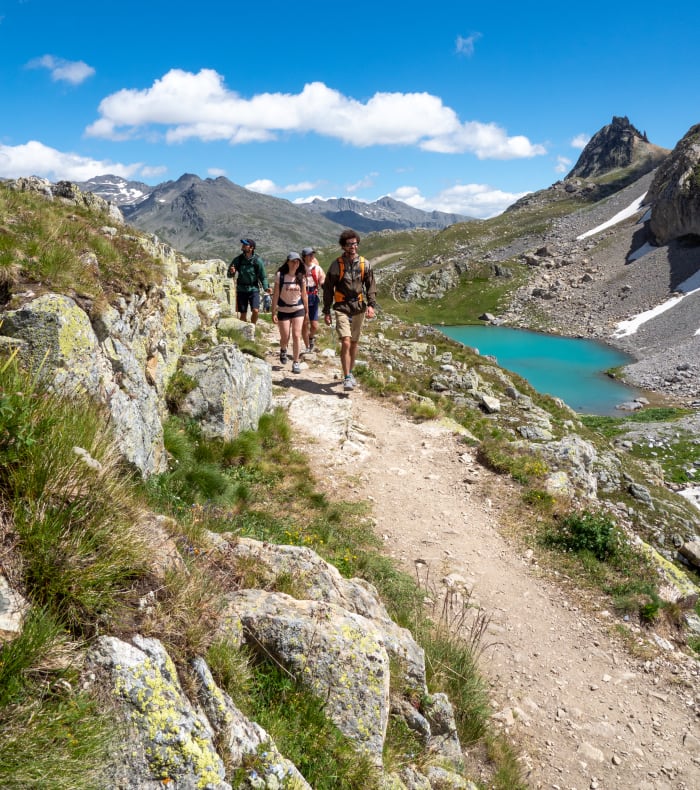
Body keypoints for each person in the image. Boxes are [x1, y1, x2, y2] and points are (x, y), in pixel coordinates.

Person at [322, 229, 377, 392]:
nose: (353, 246)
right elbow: (328, 289)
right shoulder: (336, 265)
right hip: (341, 307)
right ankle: (346, 377)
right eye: (349, 244)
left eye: (355, 243)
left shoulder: (364, 264)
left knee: (354, 343)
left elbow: (371, 286)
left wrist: (371, 305)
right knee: (346, 341)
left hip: (359, 307)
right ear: (343, 246)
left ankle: (350, 373)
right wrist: (326, 311)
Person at [271, 252, 308, 374]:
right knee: (285, 336)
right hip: (283, 309)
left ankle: (296, 362)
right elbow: (276, 294)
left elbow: (304, 295)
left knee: (297, 335)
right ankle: (283, 349)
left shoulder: (301, 277)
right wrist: (273, 312)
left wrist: (306, 312)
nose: (295, 264)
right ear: (287, 262)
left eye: (297, 261)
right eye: (292, 261)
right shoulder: (280, 275)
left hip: (298, 309)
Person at [227, 238, 270, 325]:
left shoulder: (258, 261)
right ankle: (245, 332)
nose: (243, 246)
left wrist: (266, 288)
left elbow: (263, 276)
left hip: (254, 289)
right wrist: (232, 272)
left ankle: (253, 327)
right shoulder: (238, 260)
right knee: (243, 314)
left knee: (256, 310)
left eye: (245, 244)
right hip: (241, 289)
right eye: (243, 244)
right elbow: (229, 274)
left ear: (251, 248)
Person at [301, 246, 325, 352]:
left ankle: (310, 337)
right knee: (304, 323)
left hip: (313, 296)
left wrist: (326, 286)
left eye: (312, 255)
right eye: (309, 255)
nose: (312, 257)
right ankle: (307, 346)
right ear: (304, 257)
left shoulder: (317, 268)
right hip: (302, 297)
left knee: (314, 325)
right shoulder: (300, 268)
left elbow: (322, 280)